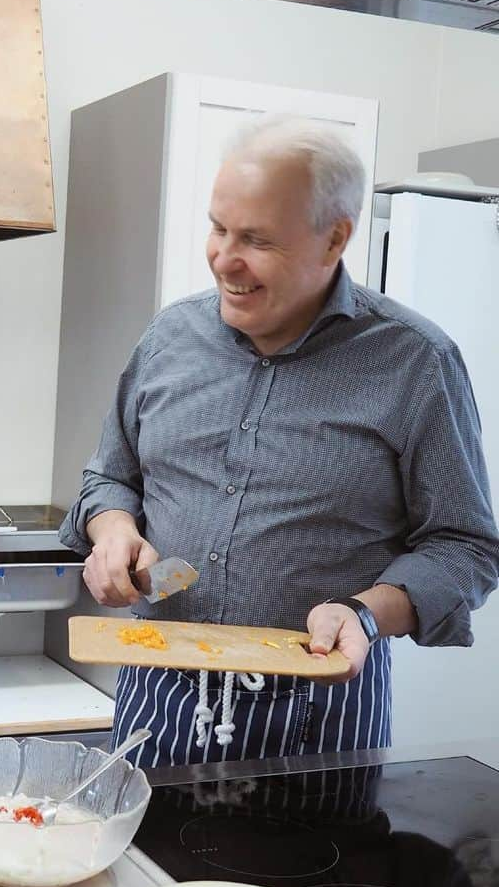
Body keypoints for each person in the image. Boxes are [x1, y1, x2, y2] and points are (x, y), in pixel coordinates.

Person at [60, 116, 499, 769]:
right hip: (156, 700)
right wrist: (112, 529)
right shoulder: (168, 340)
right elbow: (110, 477)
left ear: (335, 240)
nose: (223, 259)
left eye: (256, 240)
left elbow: (465, 548)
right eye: (218, 228)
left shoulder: (415, 362)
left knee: (317, 875)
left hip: (321, 717)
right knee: (151, 874)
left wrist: (367, 612)